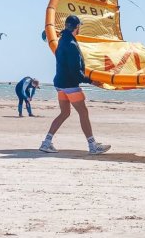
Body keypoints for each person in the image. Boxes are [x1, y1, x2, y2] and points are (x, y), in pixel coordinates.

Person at [39, 15, 110, 155]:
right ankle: (92, 146)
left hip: (60, 84)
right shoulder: (71, 45)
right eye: (79, 27)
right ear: (77, 27)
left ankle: (46, 143)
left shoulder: (62, 40)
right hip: (70, 85)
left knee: (64, 113)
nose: (80, 29)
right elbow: (75, 72)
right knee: (83, 112)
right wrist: (92, 81)